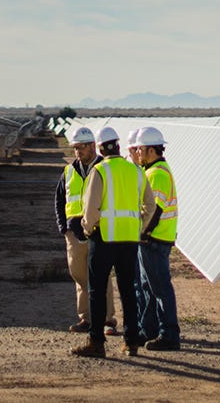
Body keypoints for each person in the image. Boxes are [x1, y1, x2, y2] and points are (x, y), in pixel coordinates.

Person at [71, 126, 155, 359]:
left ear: (99, 147)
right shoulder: (135, 171)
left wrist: (88, 230)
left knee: (96, 291)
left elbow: (91, 209)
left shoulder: (99, 171)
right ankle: (131, 342)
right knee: (128, 291)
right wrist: (140, 228)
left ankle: (96, 342)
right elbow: (150, 206)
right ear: (118, 145)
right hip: (129, 240)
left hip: (104, 239)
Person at [54, 125, 117, 335]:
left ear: (92, 146)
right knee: (79, 275)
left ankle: (108, 320)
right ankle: (86, 319)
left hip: (99, 232)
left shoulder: (104, 168)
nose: (78, 151)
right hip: (74, 234)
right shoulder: (69, 171)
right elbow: (60, 199)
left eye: (81, 147)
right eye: (75, 148)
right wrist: (64, 228)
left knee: (101, 275)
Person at [133, 126, 180, 350]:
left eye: (141, 149)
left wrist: (143, 234)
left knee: (160, 288)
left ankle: (169, 335)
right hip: (154, 239)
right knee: (148, 288)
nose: (138, 153)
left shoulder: (157, 174)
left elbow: (154, 211)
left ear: (151, 150)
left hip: (155, 240)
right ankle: (148, 330)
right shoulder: (153, 171)